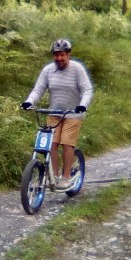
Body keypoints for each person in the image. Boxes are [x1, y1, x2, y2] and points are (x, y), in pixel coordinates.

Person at [21, 39, 93, 190]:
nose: (59, 58)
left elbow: (87, 90)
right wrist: (29, 102)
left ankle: (66, 178)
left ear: (68, 55)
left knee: (67, 143)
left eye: (62, 55)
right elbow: (38, 89)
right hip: (54, 113)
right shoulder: (48, 70)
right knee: (51, 145)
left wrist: (82, 105)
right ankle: (53, 176)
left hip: (72, 114)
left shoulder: (77, 69)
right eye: (56, 55)